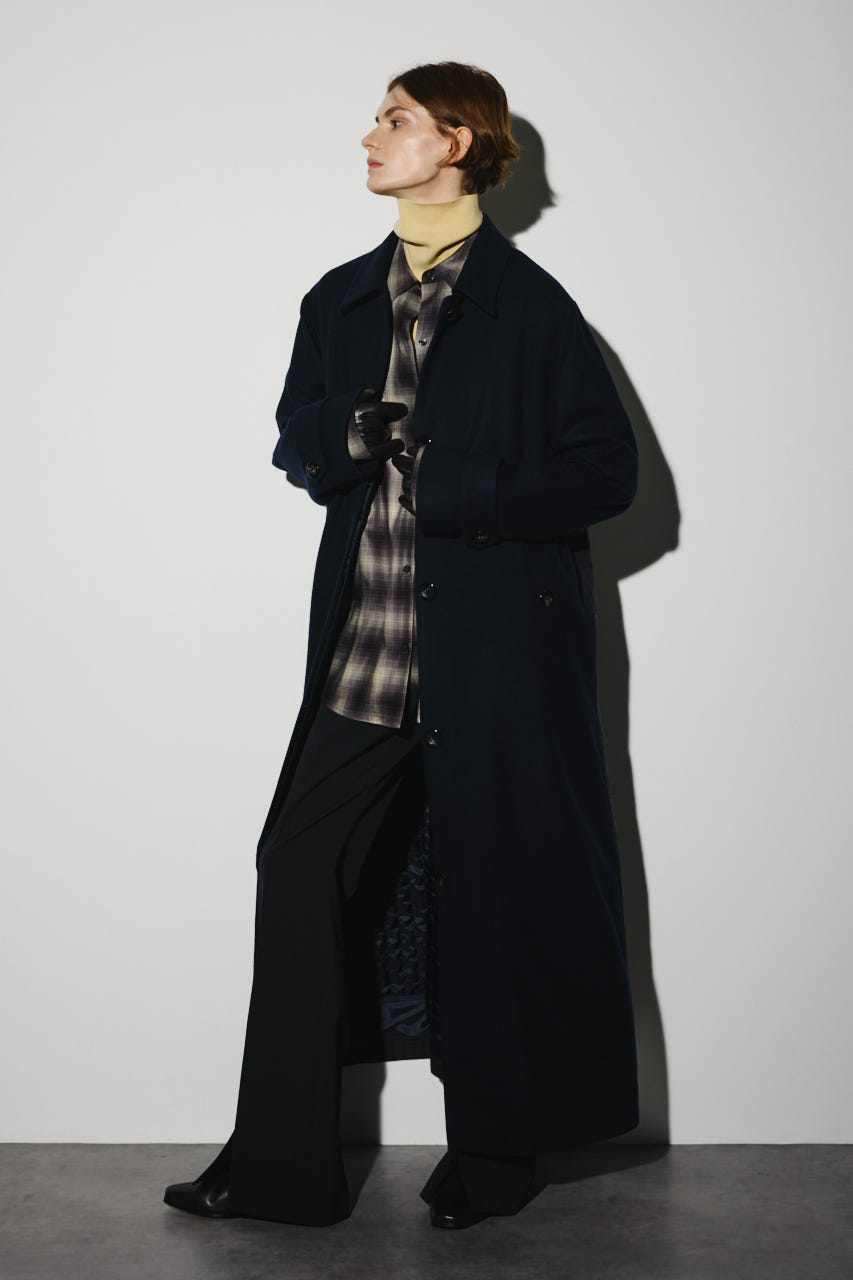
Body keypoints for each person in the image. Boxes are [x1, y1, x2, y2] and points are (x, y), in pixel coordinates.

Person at [164, 60, 640, 1231]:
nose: (370, 135)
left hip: (495, 662)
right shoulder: (338, 298)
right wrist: (343, 432)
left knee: (498, 895)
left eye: (396, 118)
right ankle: (278, 1164)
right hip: (367, 650)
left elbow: (605, 474)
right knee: (297, 871)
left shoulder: (533, 310)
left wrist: (458, 481)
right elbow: (293, 437)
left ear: (458, 141)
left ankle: (494, 1153)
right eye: (378, 117)